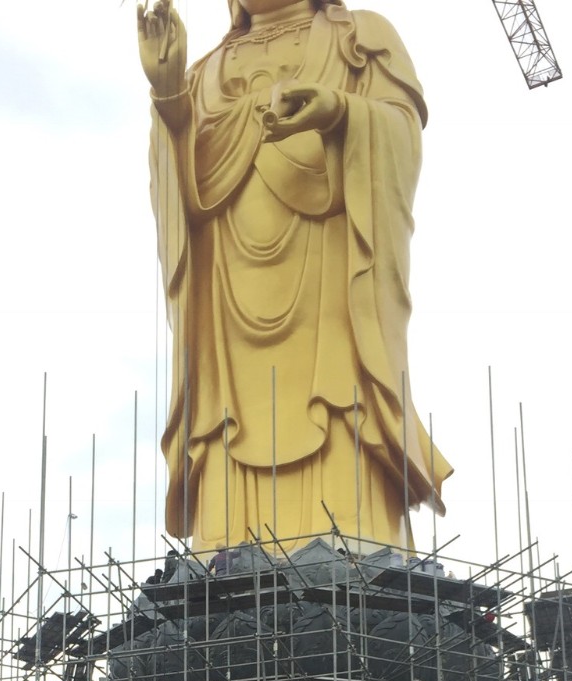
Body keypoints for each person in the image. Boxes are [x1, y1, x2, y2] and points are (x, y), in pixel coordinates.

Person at [138, 0, 451, 556]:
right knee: (227, 421)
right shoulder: (203, 71)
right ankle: (226, 547)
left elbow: (402, 136)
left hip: (332, 283)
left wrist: (341, 112)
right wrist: (169, 99)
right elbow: (181, 194)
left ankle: (354, 541)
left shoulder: (360, 37)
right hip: (226, 306)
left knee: (339, 404)